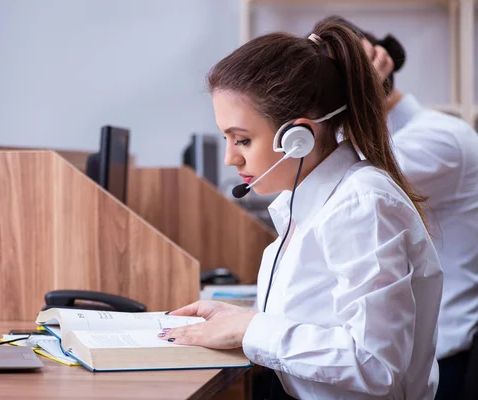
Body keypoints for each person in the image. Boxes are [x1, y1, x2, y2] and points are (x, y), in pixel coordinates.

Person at [157, 17, 443, 399]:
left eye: (241, 140)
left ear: (299, 137)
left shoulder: (361, 206)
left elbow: (376, 364)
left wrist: (250, 329)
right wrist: (240, 321)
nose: (230, 159)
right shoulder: (307, 203)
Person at [330, 17, 478, 400]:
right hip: (408, 351)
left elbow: (344, 178)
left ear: (384, 63)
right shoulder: (396, 137)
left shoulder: (440, 137)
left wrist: (360, 96)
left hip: (444, 356)